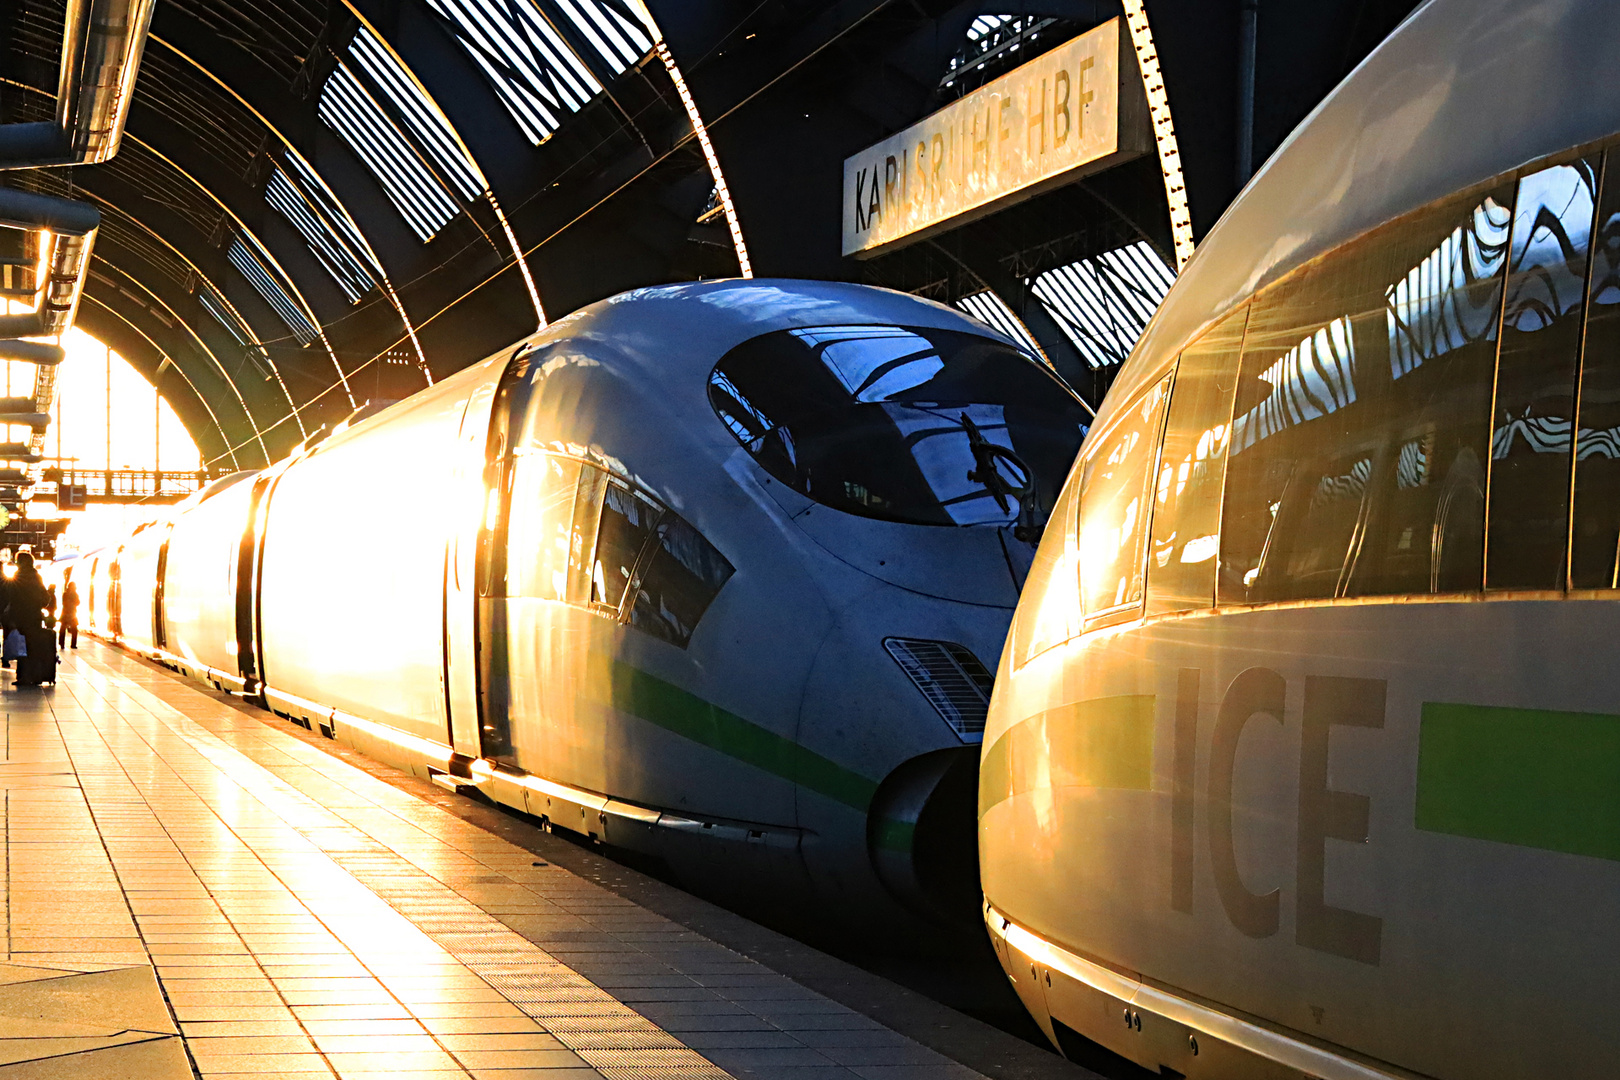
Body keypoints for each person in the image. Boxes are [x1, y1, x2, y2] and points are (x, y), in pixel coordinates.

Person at [7, 553, 54, 687]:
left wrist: (11, 617)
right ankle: (35, 675)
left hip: (20, 618)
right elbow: (46, 598)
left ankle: (23, 677)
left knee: (22, 648)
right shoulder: (36, 577)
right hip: (34, 618)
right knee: (33, 648)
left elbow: (12, 598)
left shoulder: (17, 577)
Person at [59, 575, 79, 650]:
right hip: (72, 614)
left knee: (63, 629)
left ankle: (61, 643)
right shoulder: (74, 594)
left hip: (65, 614)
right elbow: (78, 602)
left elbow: (64, 603)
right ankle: (73, 644)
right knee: (74, 630)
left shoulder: (65, 594)